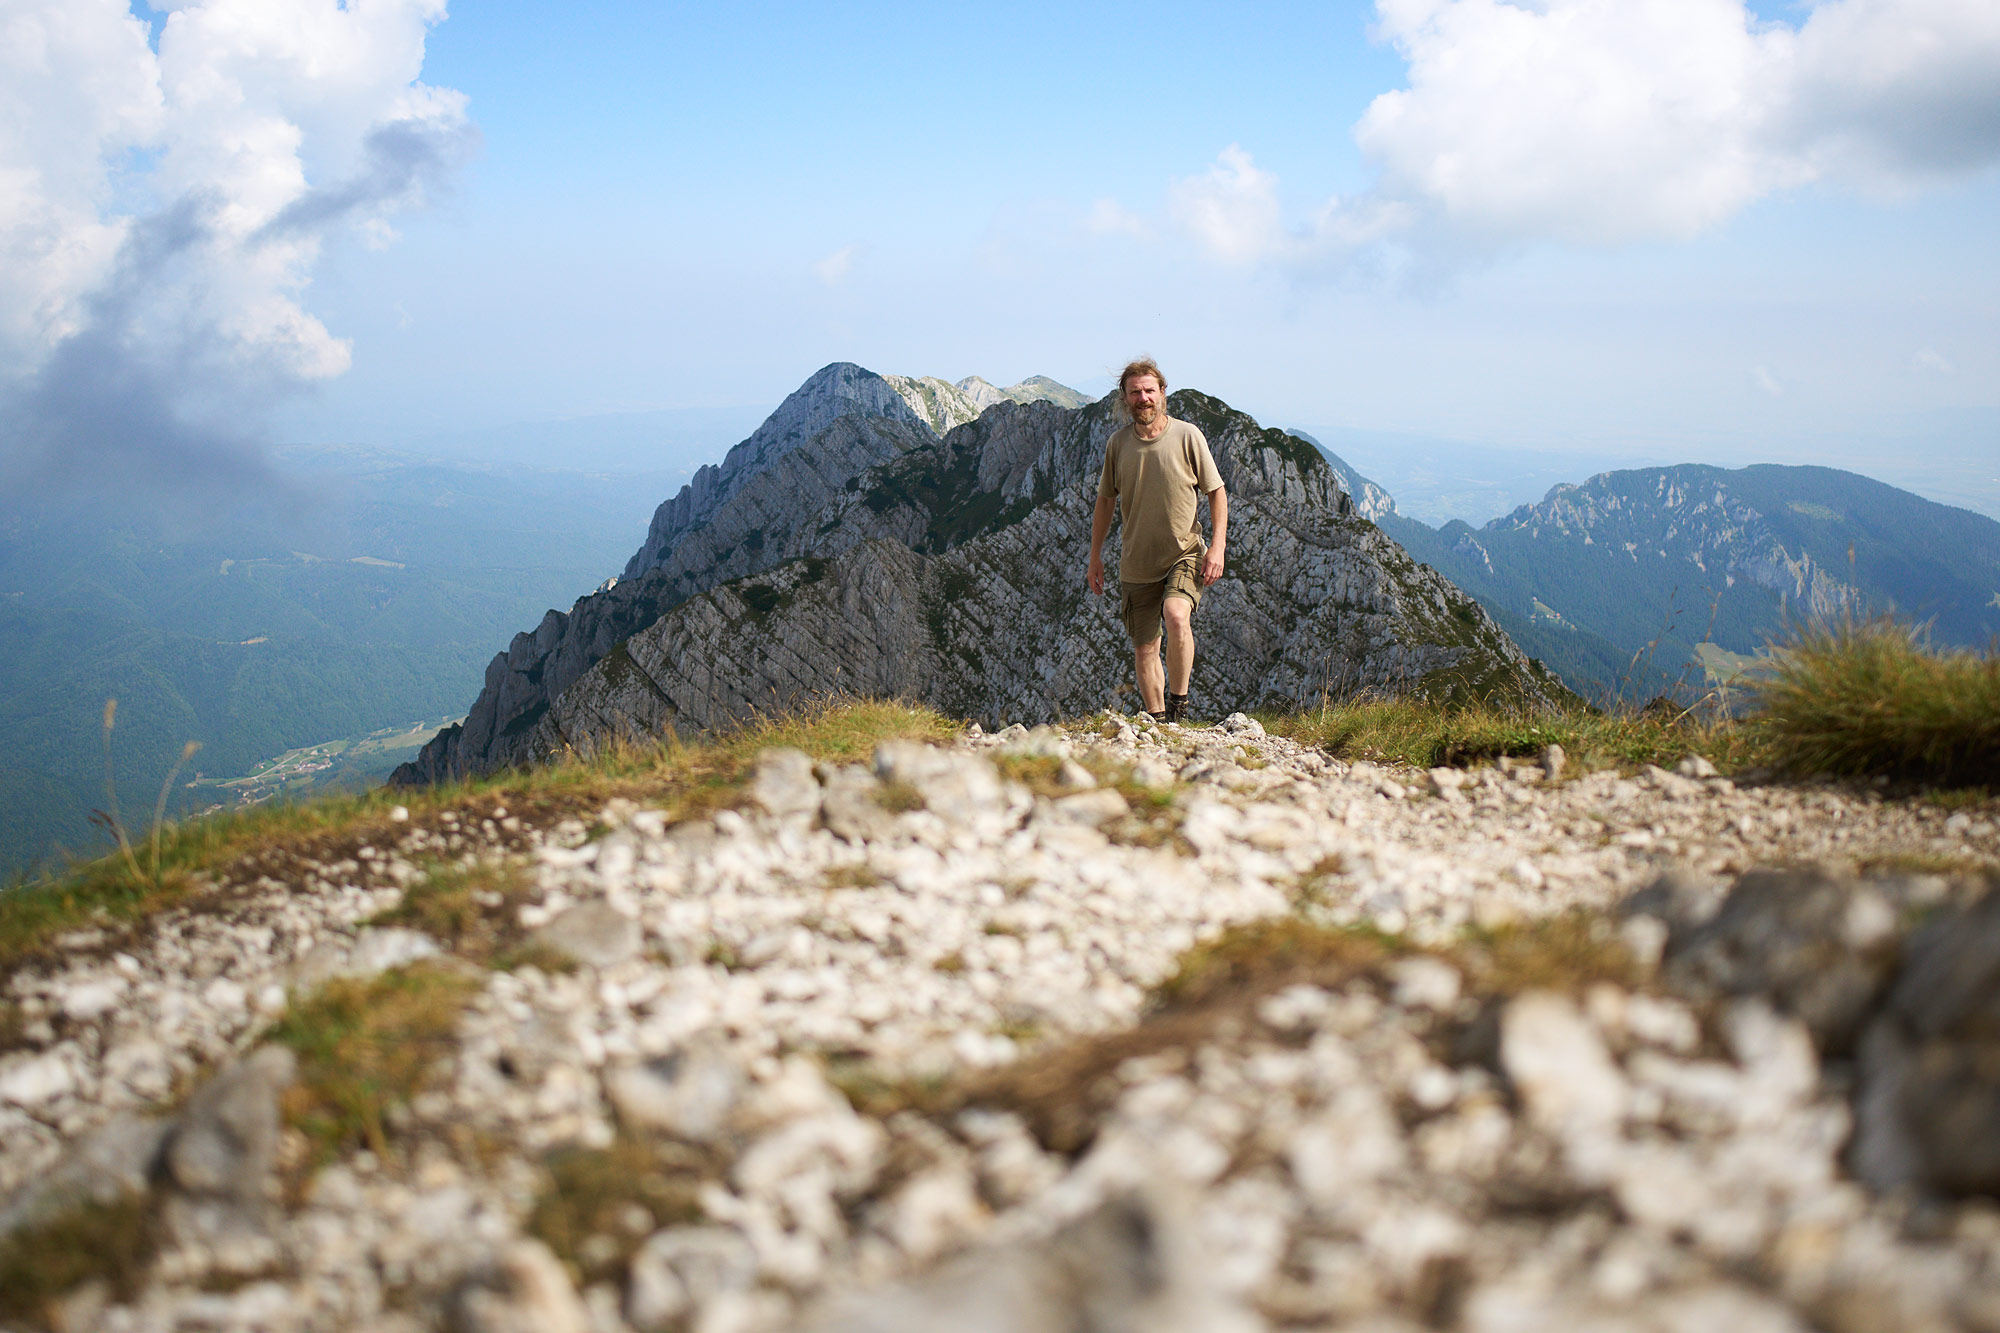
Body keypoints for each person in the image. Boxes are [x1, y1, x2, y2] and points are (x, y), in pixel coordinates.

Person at [1086, 358, 1227, 724]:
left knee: (1177, 615)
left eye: (1150, 390)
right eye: (1135, 392)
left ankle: (1179, 707)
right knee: (1145, 646)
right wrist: (1095, 556)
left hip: (1184, 553)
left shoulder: (1188, 435)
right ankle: (1159, 721)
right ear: (1125, 398)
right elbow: (1105, 501)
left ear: (1163, 393)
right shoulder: (1117, 445)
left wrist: (1217, 546)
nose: (1143, 398)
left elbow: (1216, 492)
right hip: (1136, 563)